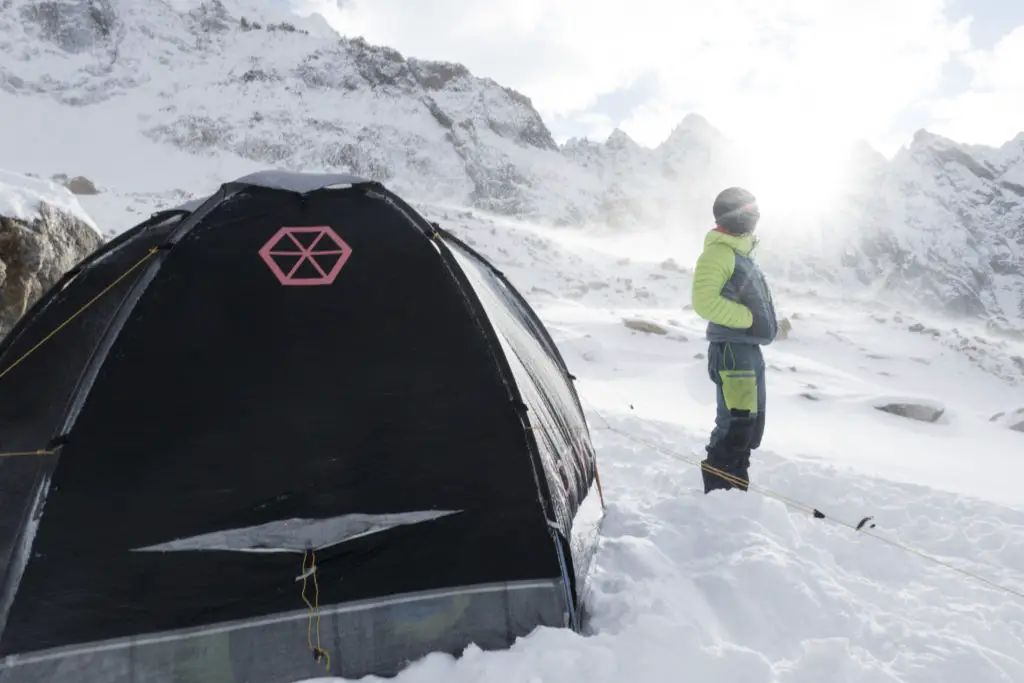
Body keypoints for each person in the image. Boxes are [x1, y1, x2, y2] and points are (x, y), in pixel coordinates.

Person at [691, 186, 778, 494]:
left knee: (751, 426)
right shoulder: (719, 253)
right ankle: (721, 494)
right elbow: (704, 301)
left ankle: (735, 487)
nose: (754, 217)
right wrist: (748, 320)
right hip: (732, 351)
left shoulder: (741, 255)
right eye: (748, 212)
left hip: (748, 350)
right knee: (736, 425)